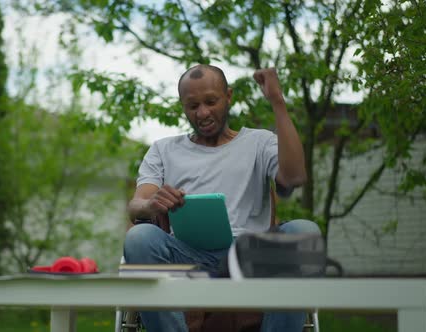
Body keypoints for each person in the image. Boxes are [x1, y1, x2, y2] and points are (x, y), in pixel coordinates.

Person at [124, 64, 321, 332]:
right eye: (192, 106)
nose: (202, 113)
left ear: (228, 97)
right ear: (182, 106)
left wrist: (277, 102)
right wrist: (151, 203)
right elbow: (137, 205)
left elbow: (295, 176)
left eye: (211, 101)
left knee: (305, 231)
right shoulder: (163, 149)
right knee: (139, 237)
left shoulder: (259, 142)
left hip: (250, 255)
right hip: (186, 254)